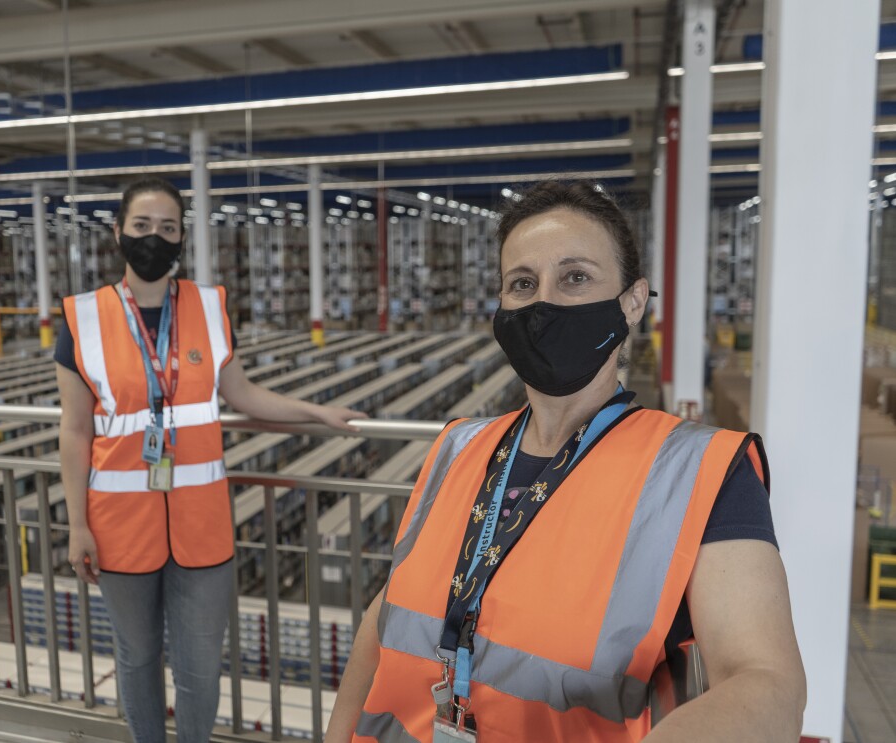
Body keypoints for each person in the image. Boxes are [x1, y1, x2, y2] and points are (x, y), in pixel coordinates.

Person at [325, 181, 806, 742]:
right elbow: (384, 619)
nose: (543, 302)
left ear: (631, 301)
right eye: (522, 284)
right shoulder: (458, 448)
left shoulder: (699, 472)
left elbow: (766, 681)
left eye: (575, 278)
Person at [55, 176, 366, 743]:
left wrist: (316, 412)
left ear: (182, 237)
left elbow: (243, 396)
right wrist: (77, 525)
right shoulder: (82, 317)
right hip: (118, 527)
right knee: (138, 659)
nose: (155, 238)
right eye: (142, 226)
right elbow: (75, 431)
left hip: (203, 526)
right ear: (118, 232)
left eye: (168, 228)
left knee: (200, 668)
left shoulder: (208, 305)